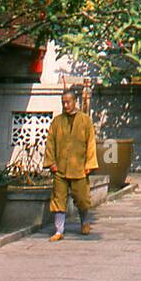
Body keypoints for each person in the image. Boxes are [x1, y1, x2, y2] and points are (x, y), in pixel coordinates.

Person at [44, 84, 98, 241]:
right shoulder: (57, 122)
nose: (66, 105)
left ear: (75, 101)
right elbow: (50, 143)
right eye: (63, 102)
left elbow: (91, 144)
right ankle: (59, 230)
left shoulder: (85, 121)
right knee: (58, 199)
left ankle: (85, 222)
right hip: (60, 168)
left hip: (79, 168)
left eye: (68, 102)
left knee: (82, 199)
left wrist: (89, 164)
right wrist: (51, 162)